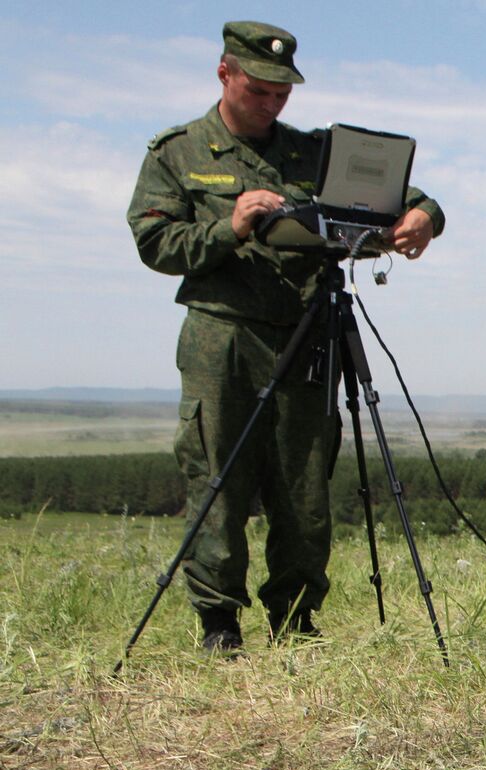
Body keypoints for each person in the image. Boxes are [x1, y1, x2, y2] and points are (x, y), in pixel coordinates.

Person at [129, 21, 445, 652]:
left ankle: (295, 620)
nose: (272, 102)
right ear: (225, 73)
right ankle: (219, 624)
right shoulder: (179, 152)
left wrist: (424, 218)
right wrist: (231, 227)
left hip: (307, 334)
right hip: (224, 337)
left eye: (283, 93)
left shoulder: (313, 153)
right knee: (217, 477)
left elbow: (404, 196)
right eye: (259, 89)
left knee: (304, 484)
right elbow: (155, 242)